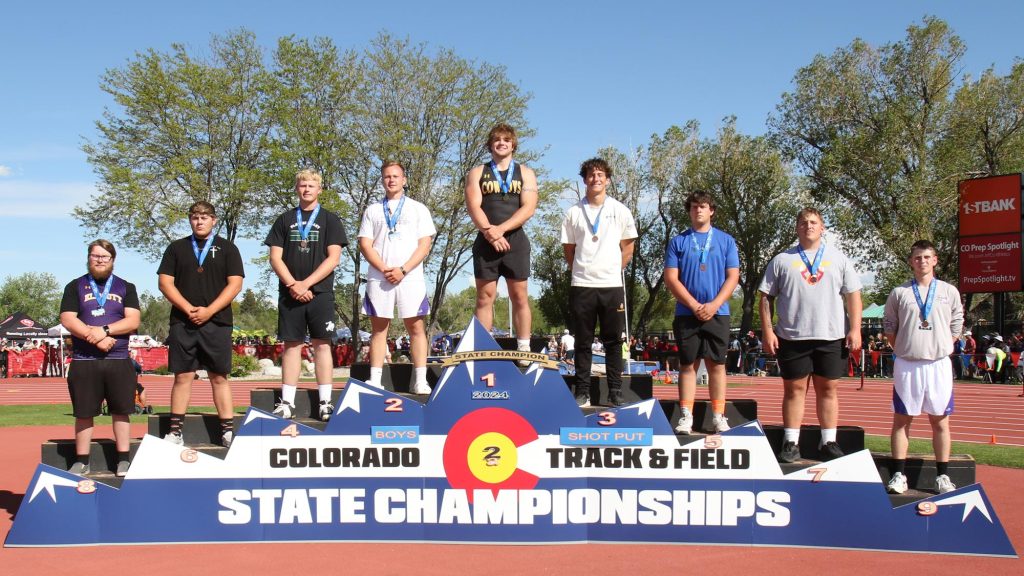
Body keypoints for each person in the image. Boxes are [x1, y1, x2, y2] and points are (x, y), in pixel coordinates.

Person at [759, 207, 862, 462]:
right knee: (794, 390)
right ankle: (791, 441)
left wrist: (856, 328)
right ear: (797, 228)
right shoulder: (782, 259)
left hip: (830, 335)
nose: (809, 226)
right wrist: (768, 330)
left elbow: (853, 295)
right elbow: (765, 298)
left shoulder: (839, 258)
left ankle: (828, 441)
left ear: (823, 227)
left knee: (828, 390)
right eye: (803, 222)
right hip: (793, 336)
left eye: (814, 222)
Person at [158, 201, 244, 447]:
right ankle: (175, 432)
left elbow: (235, 284)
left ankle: (227, 430)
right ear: (189, 220)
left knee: (219, 377)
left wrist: (209, 311)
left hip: (217, 322)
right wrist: (187, 309)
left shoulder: (228, 248)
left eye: (205, 217)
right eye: (195, 216)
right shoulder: (176, 248)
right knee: (183, 376)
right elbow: (165, 283)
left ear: (214, 220)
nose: (200, 221)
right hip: (183, 323)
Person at [265, 169, 347, 421]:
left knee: (322, 345)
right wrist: (293, 285)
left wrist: (307, 284)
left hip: (320, 292)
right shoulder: (284, 219)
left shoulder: (330, 220)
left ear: (320, 189)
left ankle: (325, 402)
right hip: (290, 293)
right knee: (291, 346)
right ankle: (286, 403)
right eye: (302, 185)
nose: (307, 189)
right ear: (296, 188)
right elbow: (275, 257)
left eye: (311, 185)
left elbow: (334, 257)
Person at [883, 240, 963, 495]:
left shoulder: (949, 291)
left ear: (935, 260)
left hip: (938, 364)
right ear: (911, 262)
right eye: (917, 258)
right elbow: (889, 326)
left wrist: (943, 345)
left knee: (940, 421)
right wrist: (904, 347)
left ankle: (943, 477)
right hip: (908, 363)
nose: (922, 262)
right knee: (902, 420)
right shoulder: (899, 292)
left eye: (927, 257)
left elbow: (957, 322)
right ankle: (898, 474)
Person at [59, 240, 140, 477]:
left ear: (113, 260)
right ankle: (82, 460)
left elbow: (133, 321)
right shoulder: (75, 286)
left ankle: (123, 459)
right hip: (84, 360)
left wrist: (104, 331)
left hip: (118, 359)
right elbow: (67, 319)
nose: (100, 260)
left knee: (121, 411)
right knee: (84, 413)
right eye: (95, 256)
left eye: (105, 257)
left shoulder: (127, 287)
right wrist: (93, 336)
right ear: (88, 257)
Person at [561, 157, 637, 407]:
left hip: (611, 285)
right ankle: (582, 390)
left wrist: (613, 269)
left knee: (614, 341)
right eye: (591, 175)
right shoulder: (573, 212)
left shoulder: (620, 210)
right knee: (582, 341)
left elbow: (628, 248)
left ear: (608, 180)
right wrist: (583, 270)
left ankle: (615, 390)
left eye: (601, 174)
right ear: (584, 180)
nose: (596, 179)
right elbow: (569, 250)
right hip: (582, 285)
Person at [664, 191, 740, 434]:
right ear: (689, 211)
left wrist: (715, 304)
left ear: (711, 211)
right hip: (687, 313)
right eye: (694, 206)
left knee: (717, 364)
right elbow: (671, 278)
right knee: (688, 365)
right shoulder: (678, 242)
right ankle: (686, 415)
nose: (698, 210)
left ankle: (719, 415)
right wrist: (694, 305)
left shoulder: (726, 241)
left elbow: (733, 276)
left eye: (703, 206)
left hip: (719, 311)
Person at [358, 161, 436, 394]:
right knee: (379, 329)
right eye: (386, 177)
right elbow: (365, 244)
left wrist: (403, 269)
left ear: (404, 180)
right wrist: (384, 268)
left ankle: (420, 380)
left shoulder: (418, 208)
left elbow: (425, 244)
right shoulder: (372, 210)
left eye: (395, 176)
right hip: (379, 277)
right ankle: (375, 378)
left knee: (416, 328)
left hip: (410, 277)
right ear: (382, 180)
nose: (391, 180)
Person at [465, 123, 538, 356]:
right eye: (497, 139)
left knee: (519, 296)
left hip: (515, 241)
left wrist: (501, 230)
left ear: (513, 144)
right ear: (490, 144)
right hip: (486, 242)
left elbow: (529, 208)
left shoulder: (526, 173)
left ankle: (524, 348)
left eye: (506, 139)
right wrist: (489, 232)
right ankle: (483, 350)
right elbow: (473, 206)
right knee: (485, 297)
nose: (501, 143)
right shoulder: (477, 172)